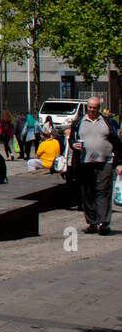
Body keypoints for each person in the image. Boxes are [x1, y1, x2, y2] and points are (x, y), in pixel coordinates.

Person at [67, 97, 121, 236]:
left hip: (105, 162)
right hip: (85, 163)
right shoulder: (79, 122)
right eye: (90, 107)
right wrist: (74, 144)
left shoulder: (107, 122)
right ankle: (92, 223)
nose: (92, 110)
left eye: (95, 107)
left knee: (103, 192)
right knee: (88, 193)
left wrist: (119, 162)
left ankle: (103, 224)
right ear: (87, 107)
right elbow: (71, 139)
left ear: (99, 108)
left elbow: (117, 142)